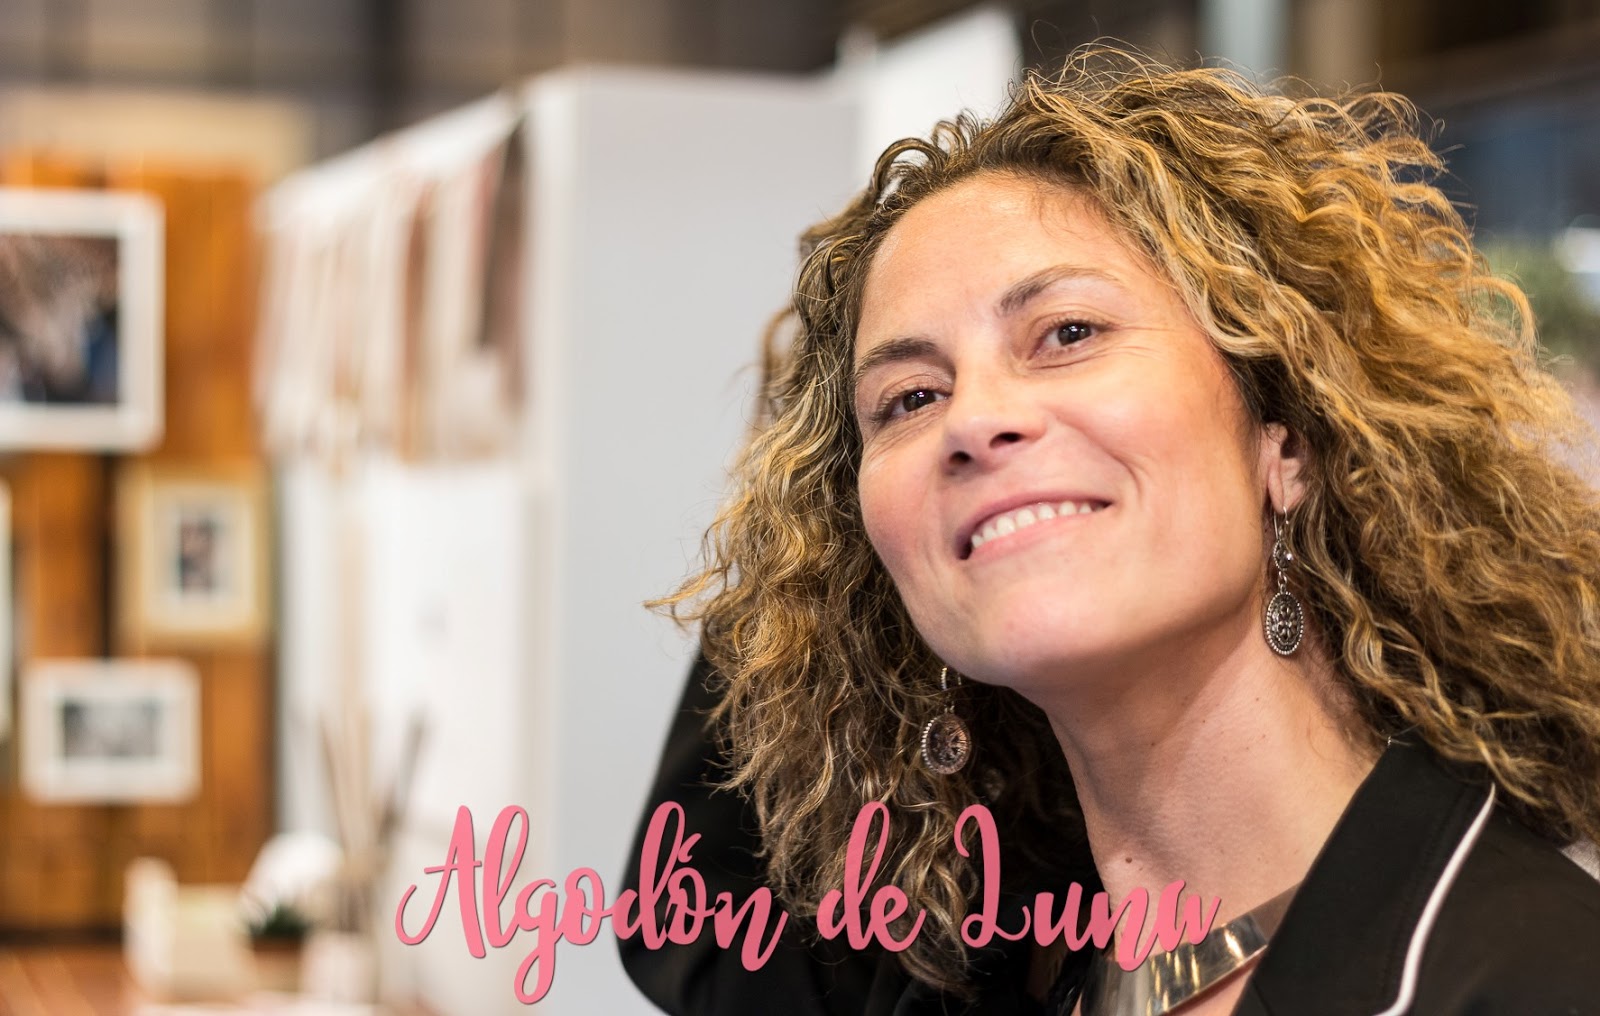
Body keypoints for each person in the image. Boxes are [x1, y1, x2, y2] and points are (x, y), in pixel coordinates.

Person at [621, 47, 1600, 1015]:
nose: (973, 420)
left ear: (1288, 438)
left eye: (1068, 333)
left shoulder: (1536, 976)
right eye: (910, 396)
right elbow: (685, 925)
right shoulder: (972, 977)